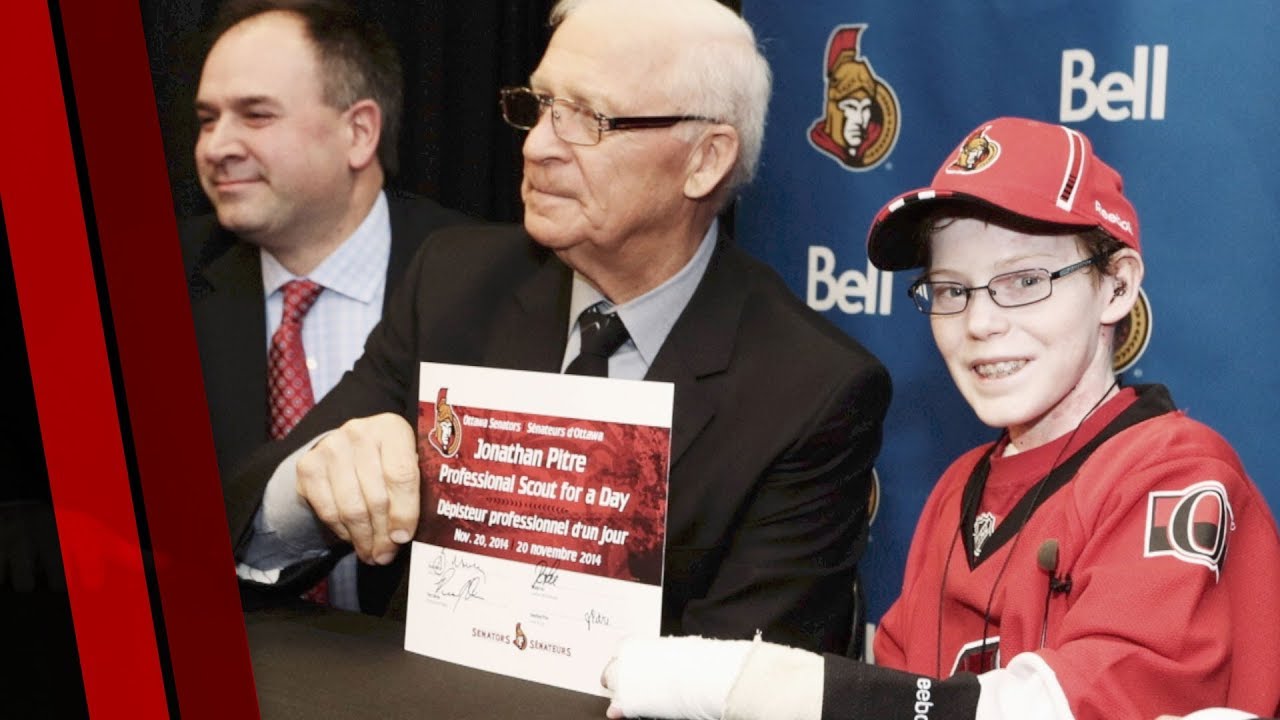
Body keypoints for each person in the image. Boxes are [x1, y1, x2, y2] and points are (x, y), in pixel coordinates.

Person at [222, 0, 891, 653]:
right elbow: (242, 522)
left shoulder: (810, 391)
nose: (537, 146)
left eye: (586, 119)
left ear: (705, 159)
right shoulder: (455, 284)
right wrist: (313, 481)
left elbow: (743, 680)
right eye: (539, 106)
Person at [601, 117, 1280, 720]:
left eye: (1024, 281)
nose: (980, 323)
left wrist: (759, 687)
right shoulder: (960, 485)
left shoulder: (1173, 470)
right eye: (952, 290)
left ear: (1118, 286)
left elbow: (1084, 708)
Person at [182, 0, 468, 612]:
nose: (216, 146)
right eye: (208, 120)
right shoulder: (147, 282)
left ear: (358, 132)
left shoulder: (482, 282)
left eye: (255, 115)